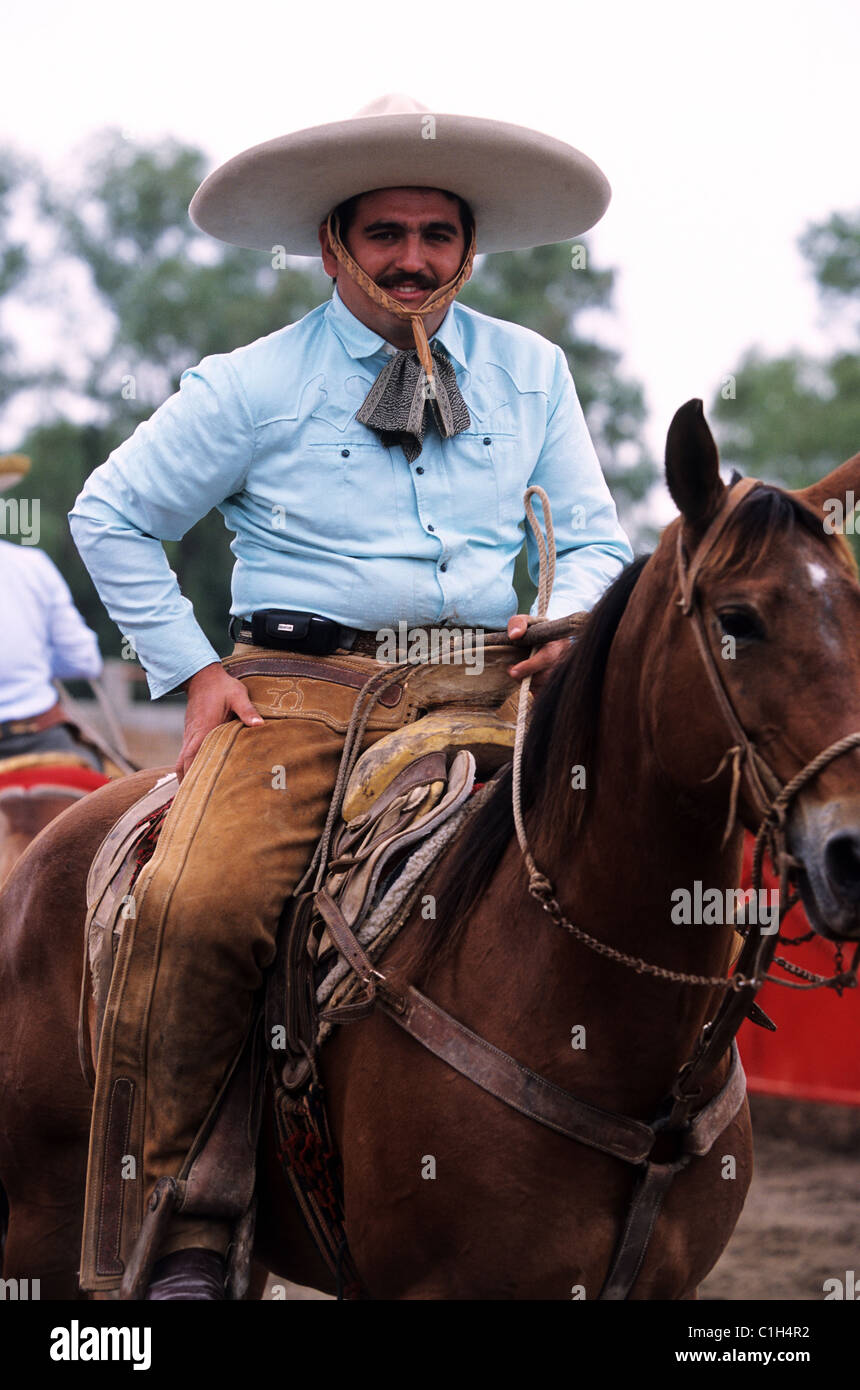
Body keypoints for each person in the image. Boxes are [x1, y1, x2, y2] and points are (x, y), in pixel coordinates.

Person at [69, 94, 634, 1299]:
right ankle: (183, 1214)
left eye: (437, 234)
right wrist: (196, 671)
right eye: (386, 233)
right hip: (302, 695)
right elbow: (108, 515)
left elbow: (594, 537)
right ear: (333, 245)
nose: (413, 258)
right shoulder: (248, 382)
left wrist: (573, 616)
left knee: (629, 853)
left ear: (469, 250)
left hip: (489, 681)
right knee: (193, 903)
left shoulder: (533, 371)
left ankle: (658, 1157)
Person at [0, 455, 103, 771]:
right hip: (39, 734)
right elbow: (85, 661)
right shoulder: (33, 565)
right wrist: (37, 661)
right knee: (119, 807)